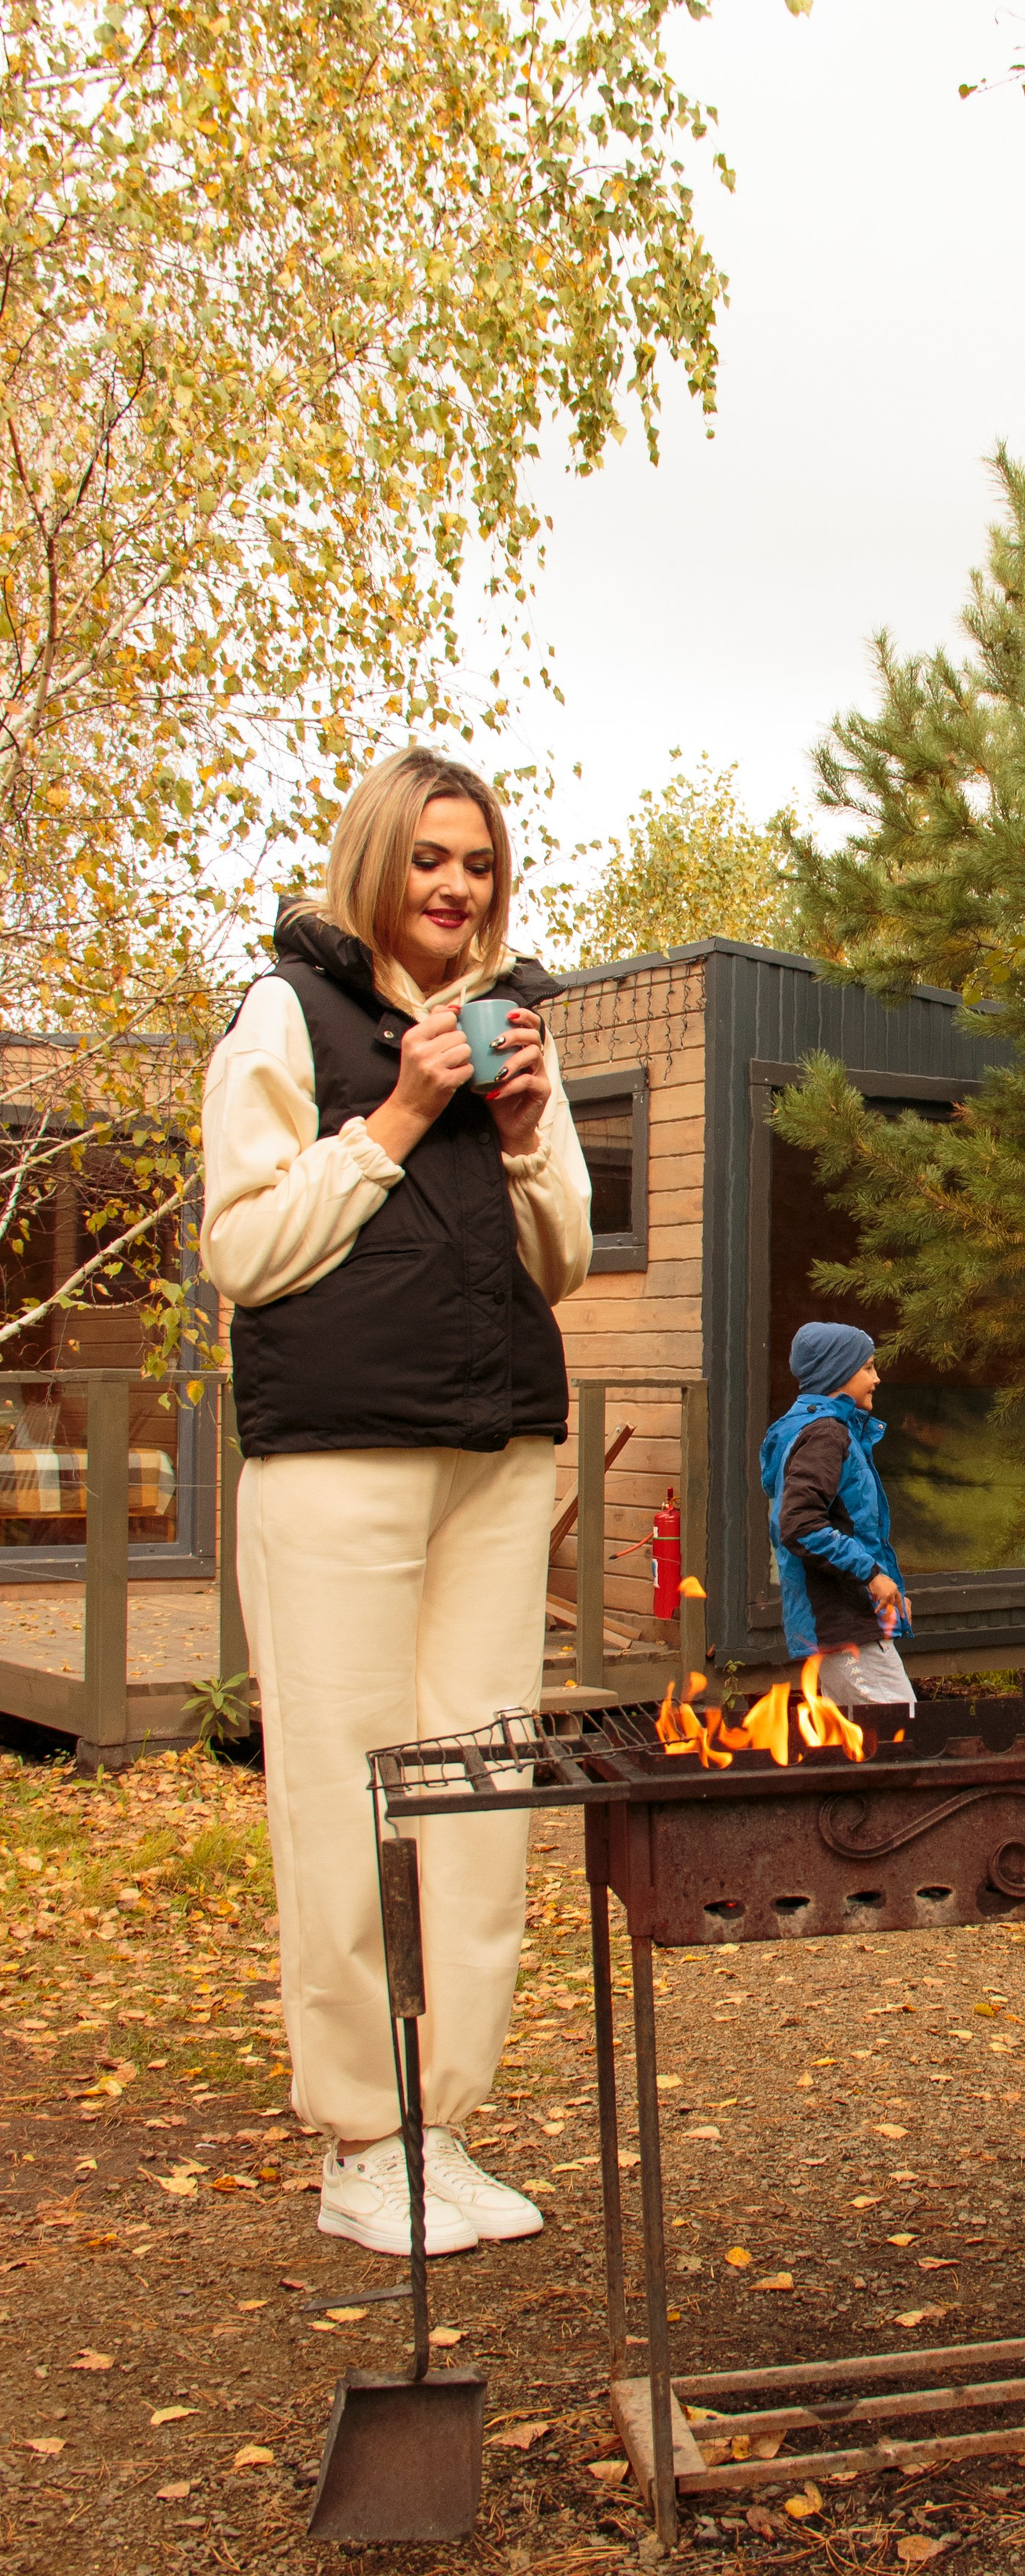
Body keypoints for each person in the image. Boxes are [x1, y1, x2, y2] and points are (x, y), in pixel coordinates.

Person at [201, 746, 594, 2258]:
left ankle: (449, 2123)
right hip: (337, 1461)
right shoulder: (283, 1019)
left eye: (480, 866)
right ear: (381, 862)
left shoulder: (514, 1037)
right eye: (433, 859)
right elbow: (246, 1251)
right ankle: (365, 2140)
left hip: (498, 1457)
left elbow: (559, 1260)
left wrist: (514, 1133)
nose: (457, 889)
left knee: (482, 1794)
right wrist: (397, 1119)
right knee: (345, 1789)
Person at [760, 1322, 914, 1711]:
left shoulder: (828, 1430)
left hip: (851, 1619)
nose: (876, 1378)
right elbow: (800, 1524)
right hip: (841, 1623)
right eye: (867, 1368)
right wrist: (871, 1575)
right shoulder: (827, 1435)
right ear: (838, 1374)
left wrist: (888, 1584)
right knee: (905, 1737)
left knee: (864, 1746)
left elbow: (854, 1526)